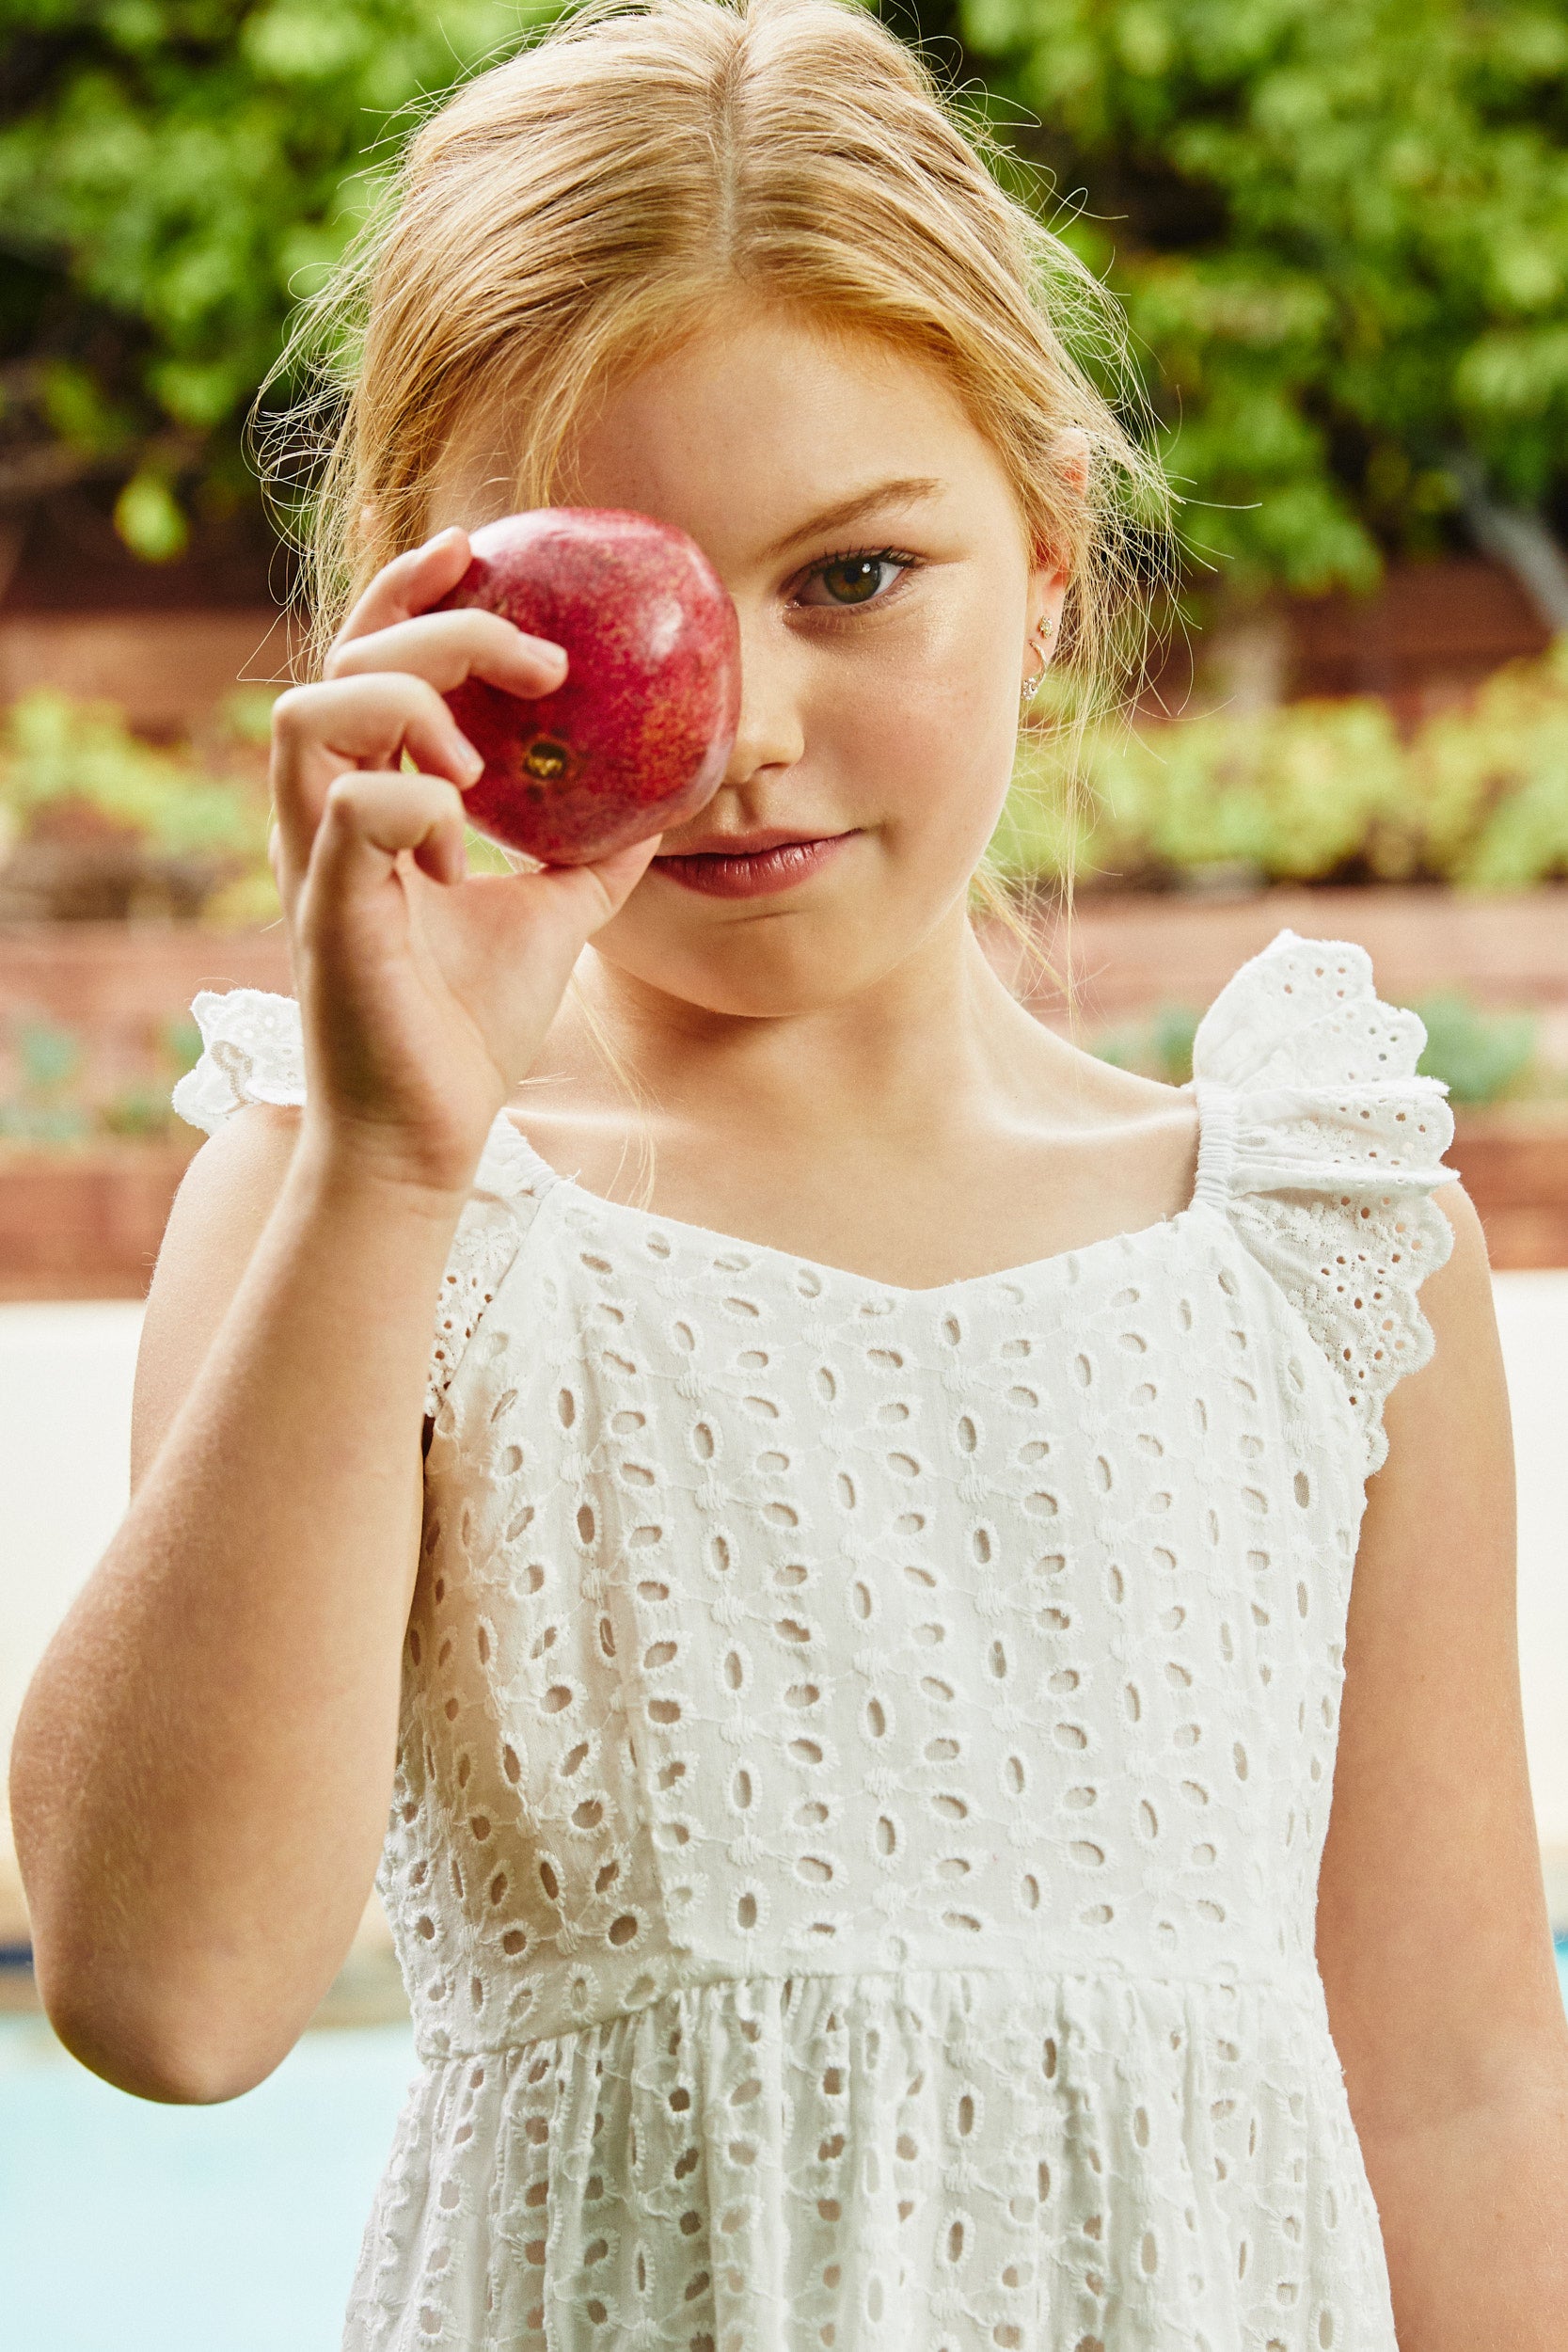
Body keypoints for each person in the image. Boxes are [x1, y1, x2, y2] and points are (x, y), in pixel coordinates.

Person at [12, 0, 1568, 2344]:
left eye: (853, 577)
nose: (736, 724)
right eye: (592, 609)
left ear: (1047, 558)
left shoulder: (1325, 1251)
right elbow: (169, 1994)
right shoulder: (377, 1209)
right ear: (409, 624)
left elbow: (1453, 2077)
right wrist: (389, 1164)